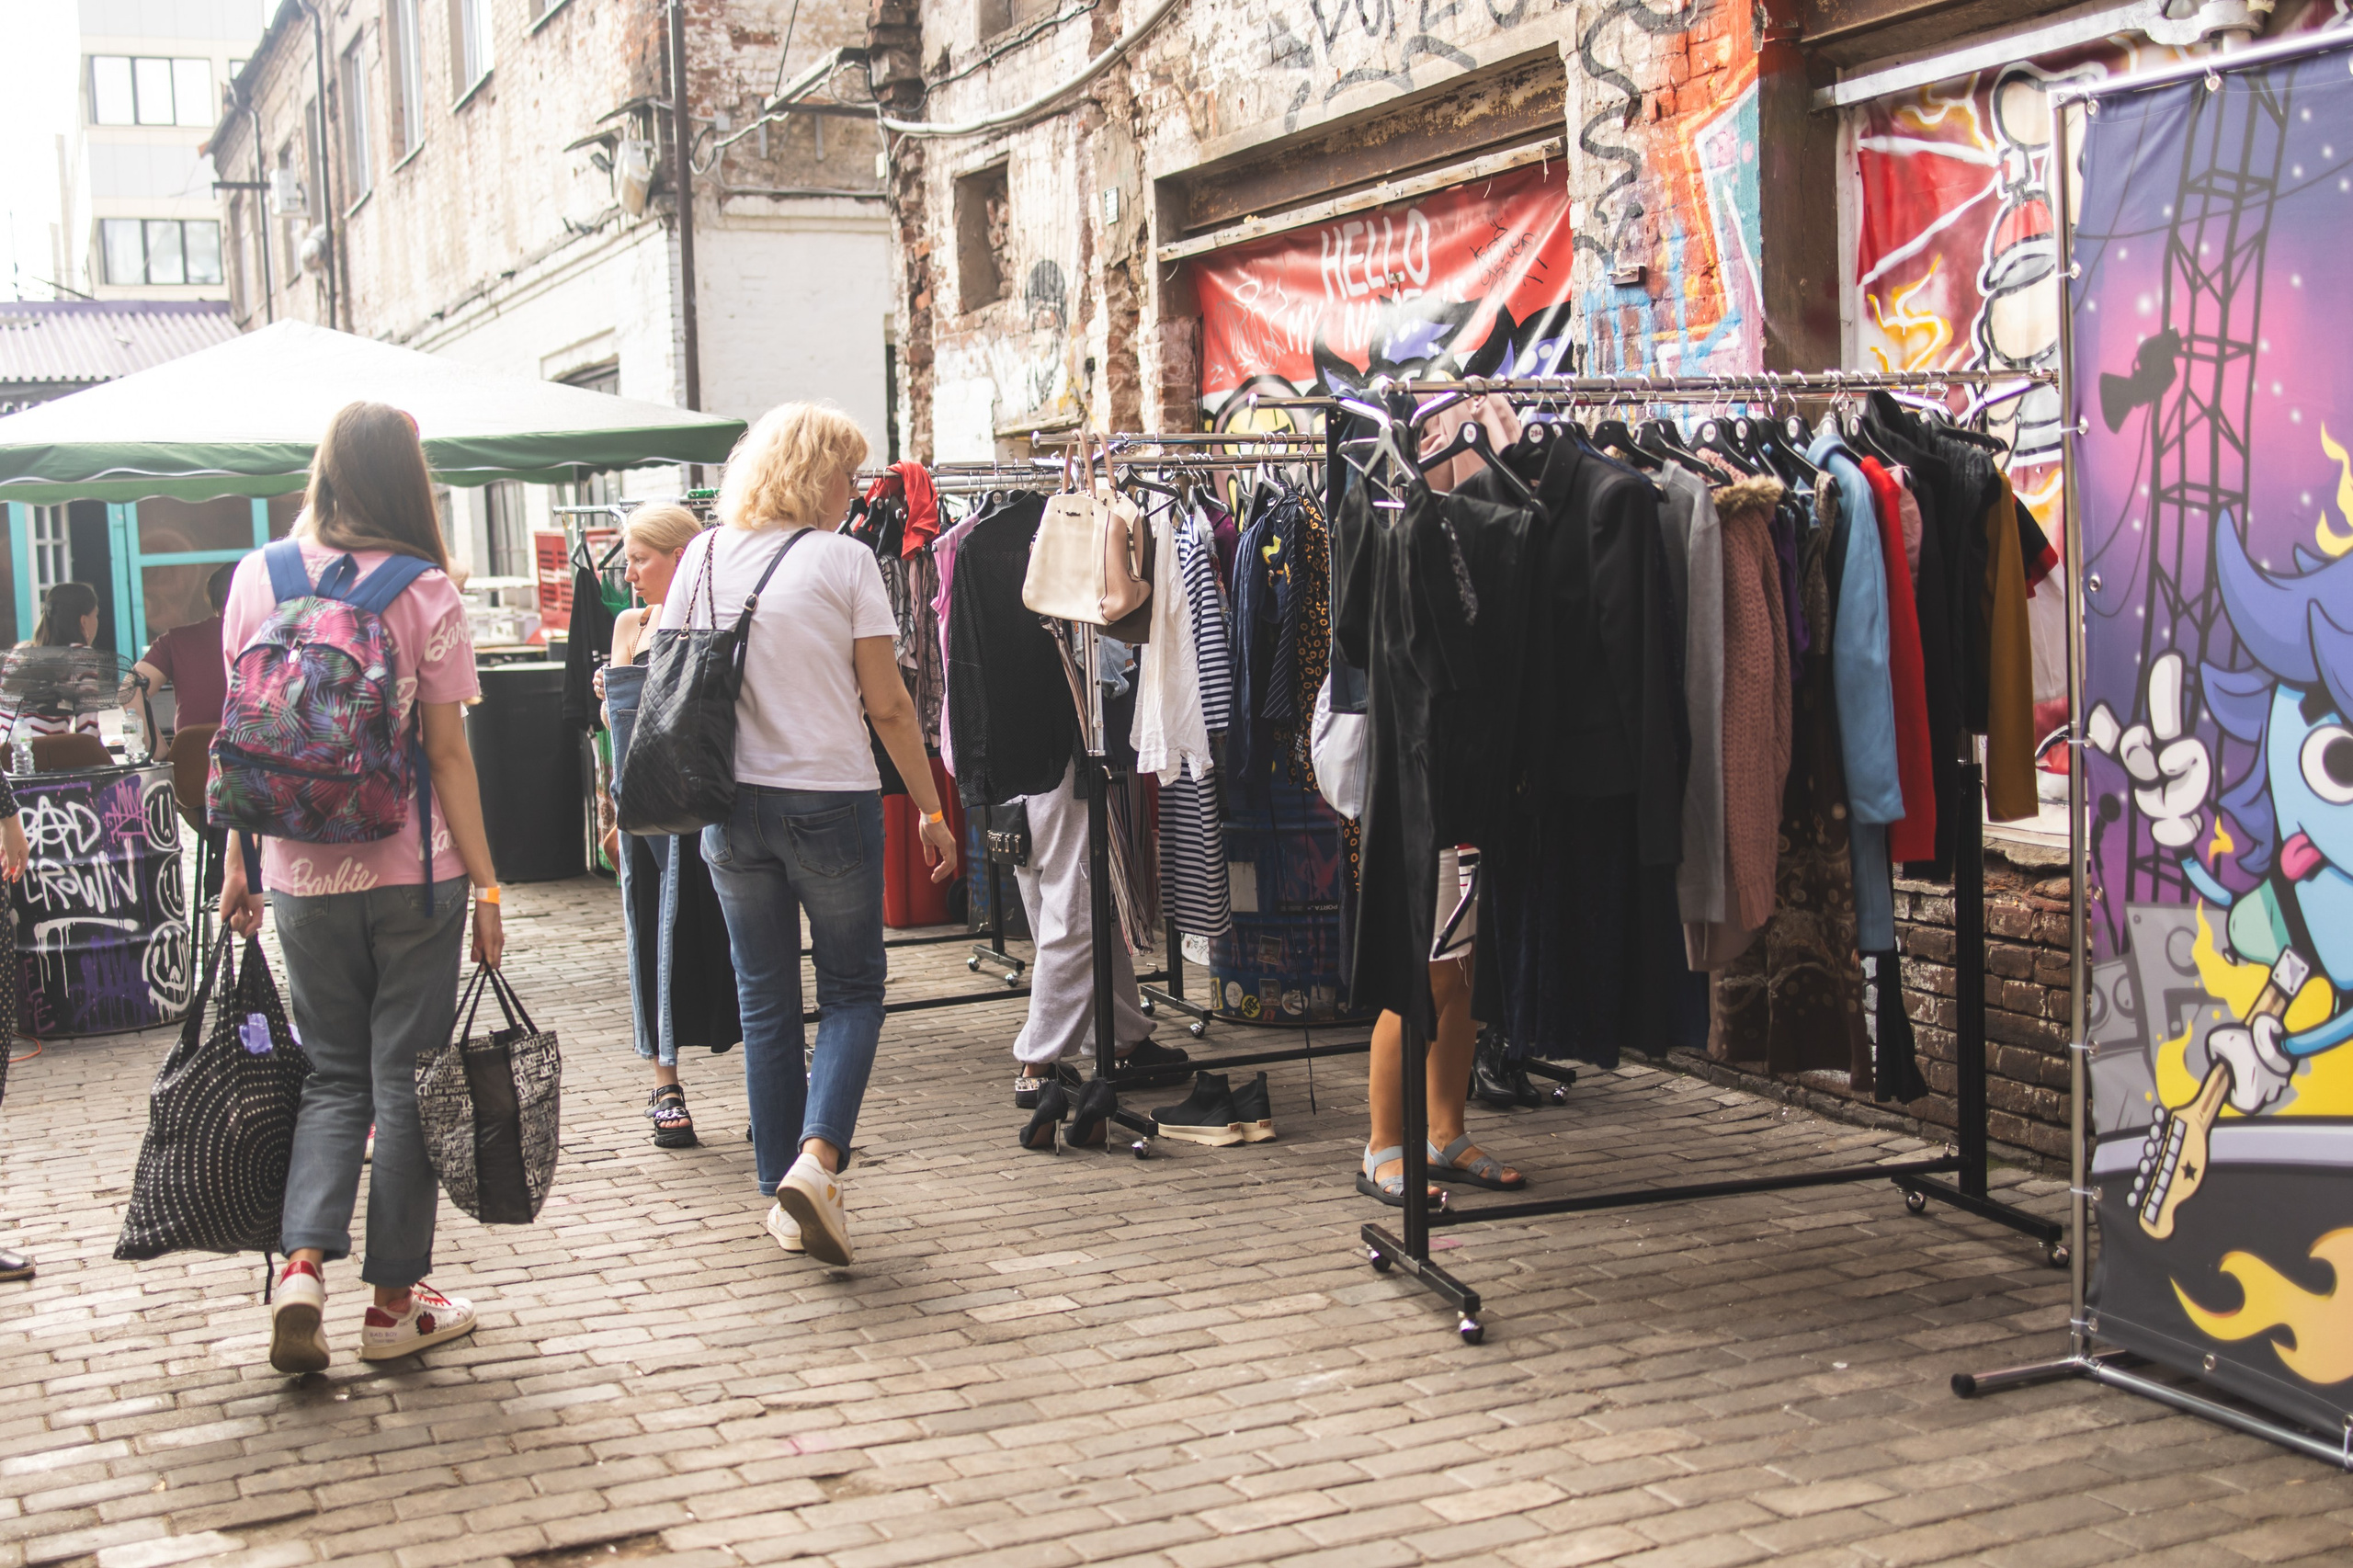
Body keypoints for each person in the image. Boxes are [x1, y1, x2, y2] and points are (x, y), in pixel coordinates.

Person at [215, 401, 505, 1375]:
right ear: (406, 479)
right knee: (406, 1079)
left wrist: (239, 862)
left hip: (300, 870)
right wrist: (492, 887)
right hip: (413, 873)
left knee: (334, 1076)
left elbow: (243, 737)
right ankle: (393, 1305)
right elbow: (449, 755)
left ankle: (300, 1265)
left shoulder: (256, 576)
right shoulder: (424, 589)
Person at [657, 402, 955, 1267]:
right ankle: (817, 1163)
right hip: (828, 799)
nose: (855, 490)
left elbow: (671, 679)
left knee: (767, 999)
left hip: (729, 804)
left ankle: (781, 1192)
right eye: (847, 472)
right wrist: (932, 812)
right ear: (812, 473)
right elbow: (890, 704)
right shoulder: (845, 560)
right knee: (856, 990)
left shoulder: (703, 554)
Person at [597, 502, 741, 1146]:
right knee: (651, 930)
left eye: (638, 559)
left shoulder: (719, 618)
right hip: (644, 813)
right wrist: (610, 806)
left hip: (710, 801)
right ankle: (665, 1082)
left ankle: (773, 1071)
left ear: (679, 556)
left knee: (739, 934)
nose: (629, 574)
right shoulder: (631, 625)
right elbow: (618, 730)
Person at [1359, 848, 1524, 1204]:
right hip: (1433, 816)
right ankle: (1384, 1145)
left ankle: (1445, 1136)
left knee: (1466, 971)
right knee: (1430, 971)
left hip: (1473, 820)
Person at [129, 562, 234, 743]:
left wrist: (158, 750)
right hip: (264, 763)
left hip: (192, 759)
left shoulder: (176, 640)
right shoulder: (280, 637)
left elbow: (130, 690)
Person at [10, 583, 108, 743]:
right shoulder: (81, 657)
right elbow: (88, 733)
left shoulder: (20, 652)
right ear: (83, 621)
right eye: (96, 615)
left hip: (7, 760)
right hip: (43, 758)